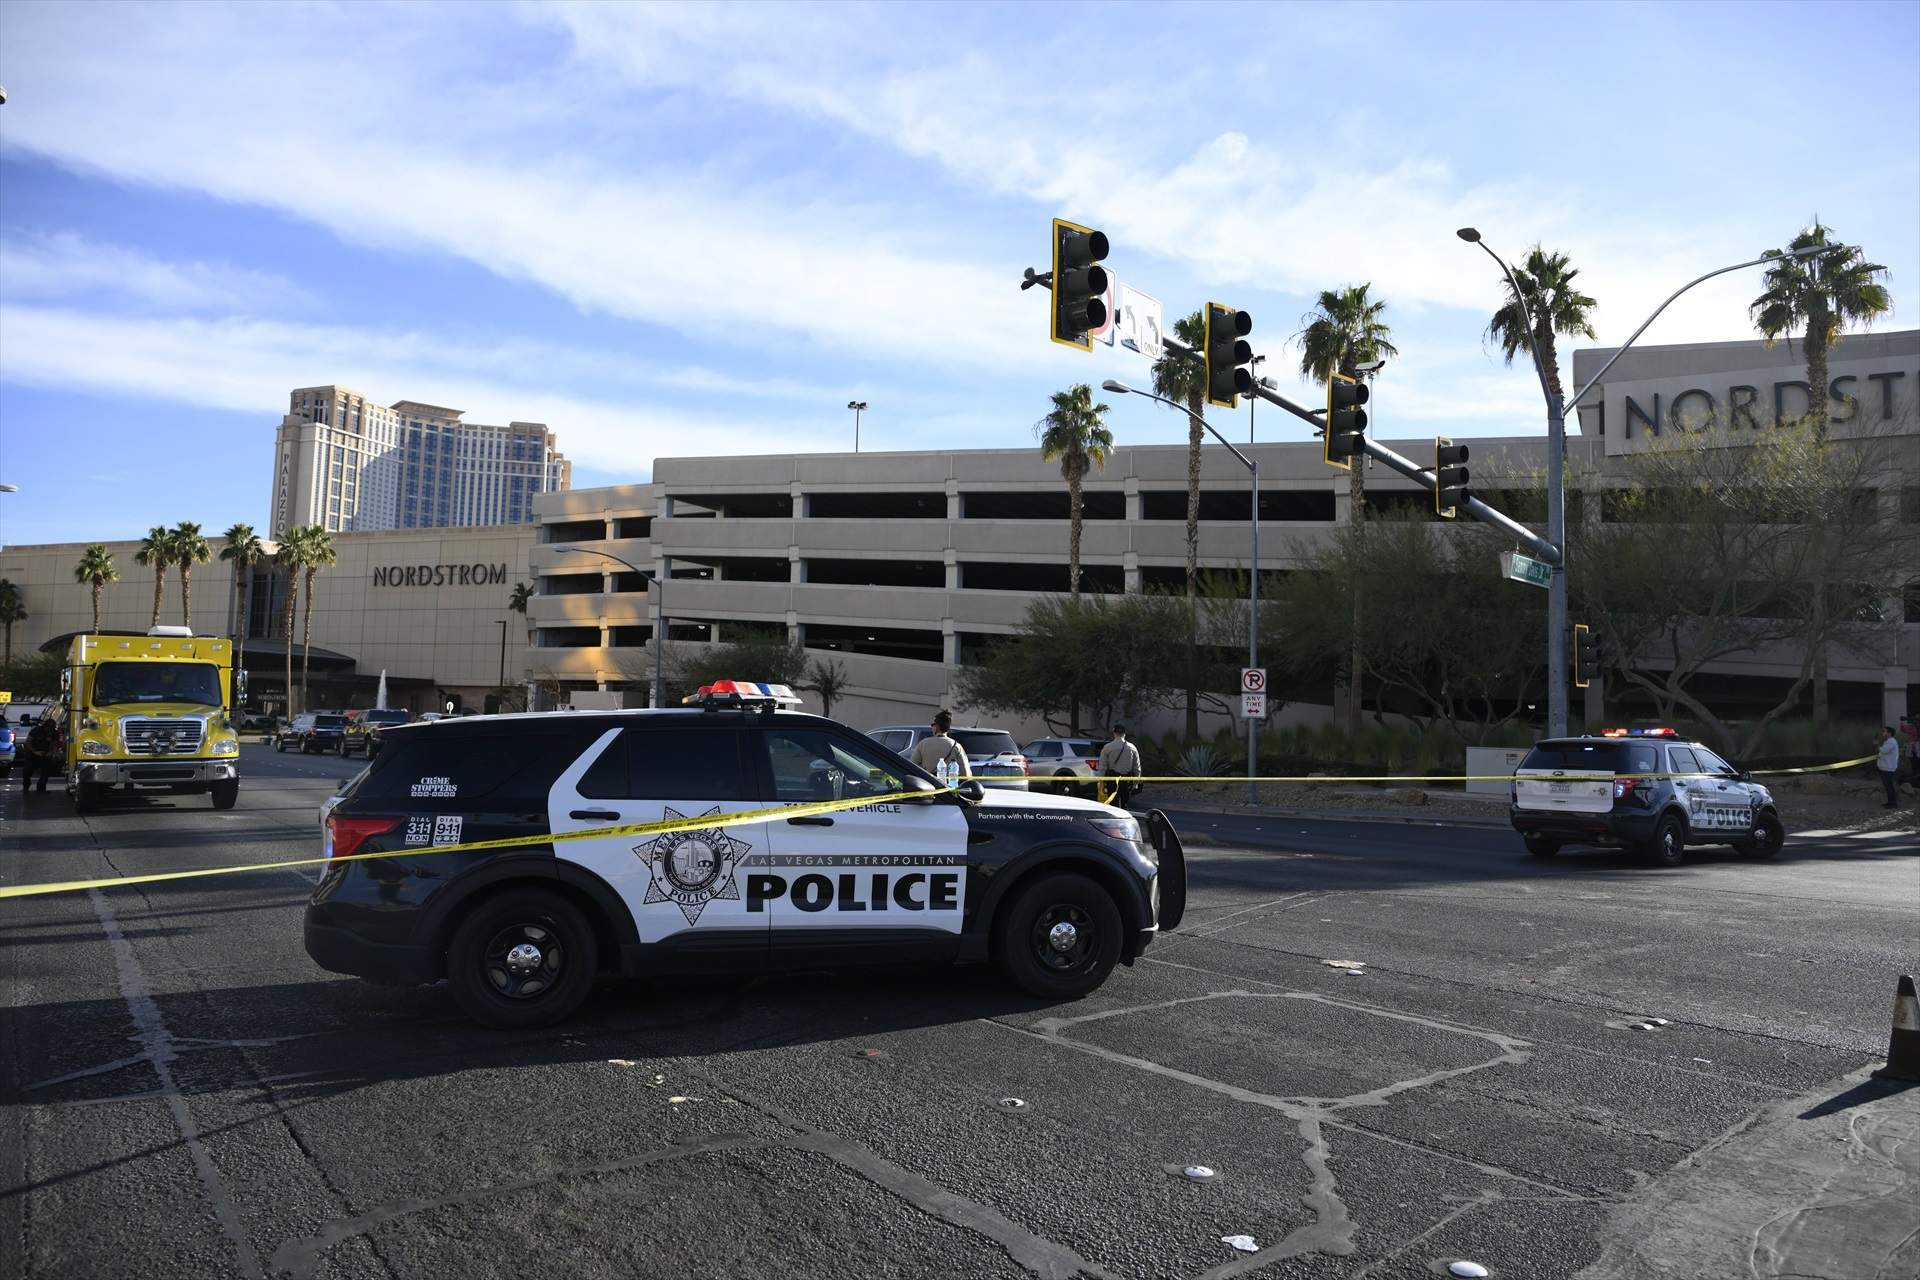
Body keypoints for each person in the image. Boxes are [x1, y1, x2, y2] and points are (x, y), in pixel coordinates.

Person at [908, 710, 969, 783]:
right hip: (949, 786)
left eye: (932, 725)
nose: (931, 727)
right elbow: (966, 774)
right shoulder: (956, 746)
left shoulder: (923, 744)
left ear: (937, 726)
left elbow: (912, 766)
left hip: (928, 785)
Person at [1098, 723, 1143, 809]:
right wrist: (1136, 783)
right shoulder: (1132, 747)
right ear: (1124, 734)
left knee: (1113, 805)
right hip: (1126, 780)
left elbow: (1102, 767)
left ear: (1114, 733)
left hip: (1112, 779)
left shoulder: (1107, 747)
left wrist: (1101, 782)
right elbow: (1137, 767)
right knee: (1124, 804)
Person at [22, 715, 63, 793]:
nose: (50, 730)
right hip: (32, 753)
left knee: (46, 771)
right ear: (45, 726)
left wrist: (51, 752)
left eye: (52, 728)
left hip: (45, 754)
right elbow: (28, 742)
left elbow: (55, 744)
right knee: (27, 771)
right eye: (48, 728)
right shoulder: (36, 730)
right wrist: (35, 752)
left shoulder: (54, 733)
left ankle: (41, 788)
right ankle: (26, 786)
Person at [1876, 725, 1903, 809]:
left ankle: (1893, 803)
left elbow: (1884, 750)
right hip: (1885, 767)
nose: (1883, 733)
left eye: (1884, 731)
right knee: (1887, 786)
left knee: (1889, 786)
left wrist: (1877, 745)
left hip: (1888, 768)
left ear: (1889, 733)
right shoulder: (1888, 741)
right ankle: (1890, 802)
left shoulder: (1891, 742)